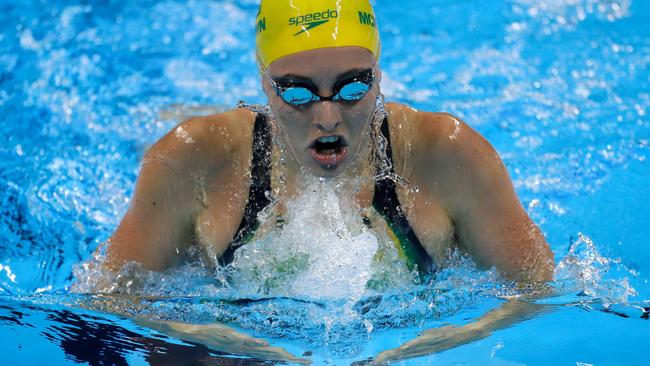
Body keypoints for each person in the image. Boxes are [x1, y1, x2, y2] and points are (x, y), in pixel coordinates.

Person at [97, 0, 555, 363]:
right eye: (296, 91)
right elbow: (110, 300)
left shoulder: (447, 155)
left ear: (380, 72)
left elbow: (541, 292)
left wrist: (404, 351)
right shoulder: (191, 161)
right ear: (263, 82)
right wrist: (246, 346)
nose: (328, 117)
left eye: (354, 87)